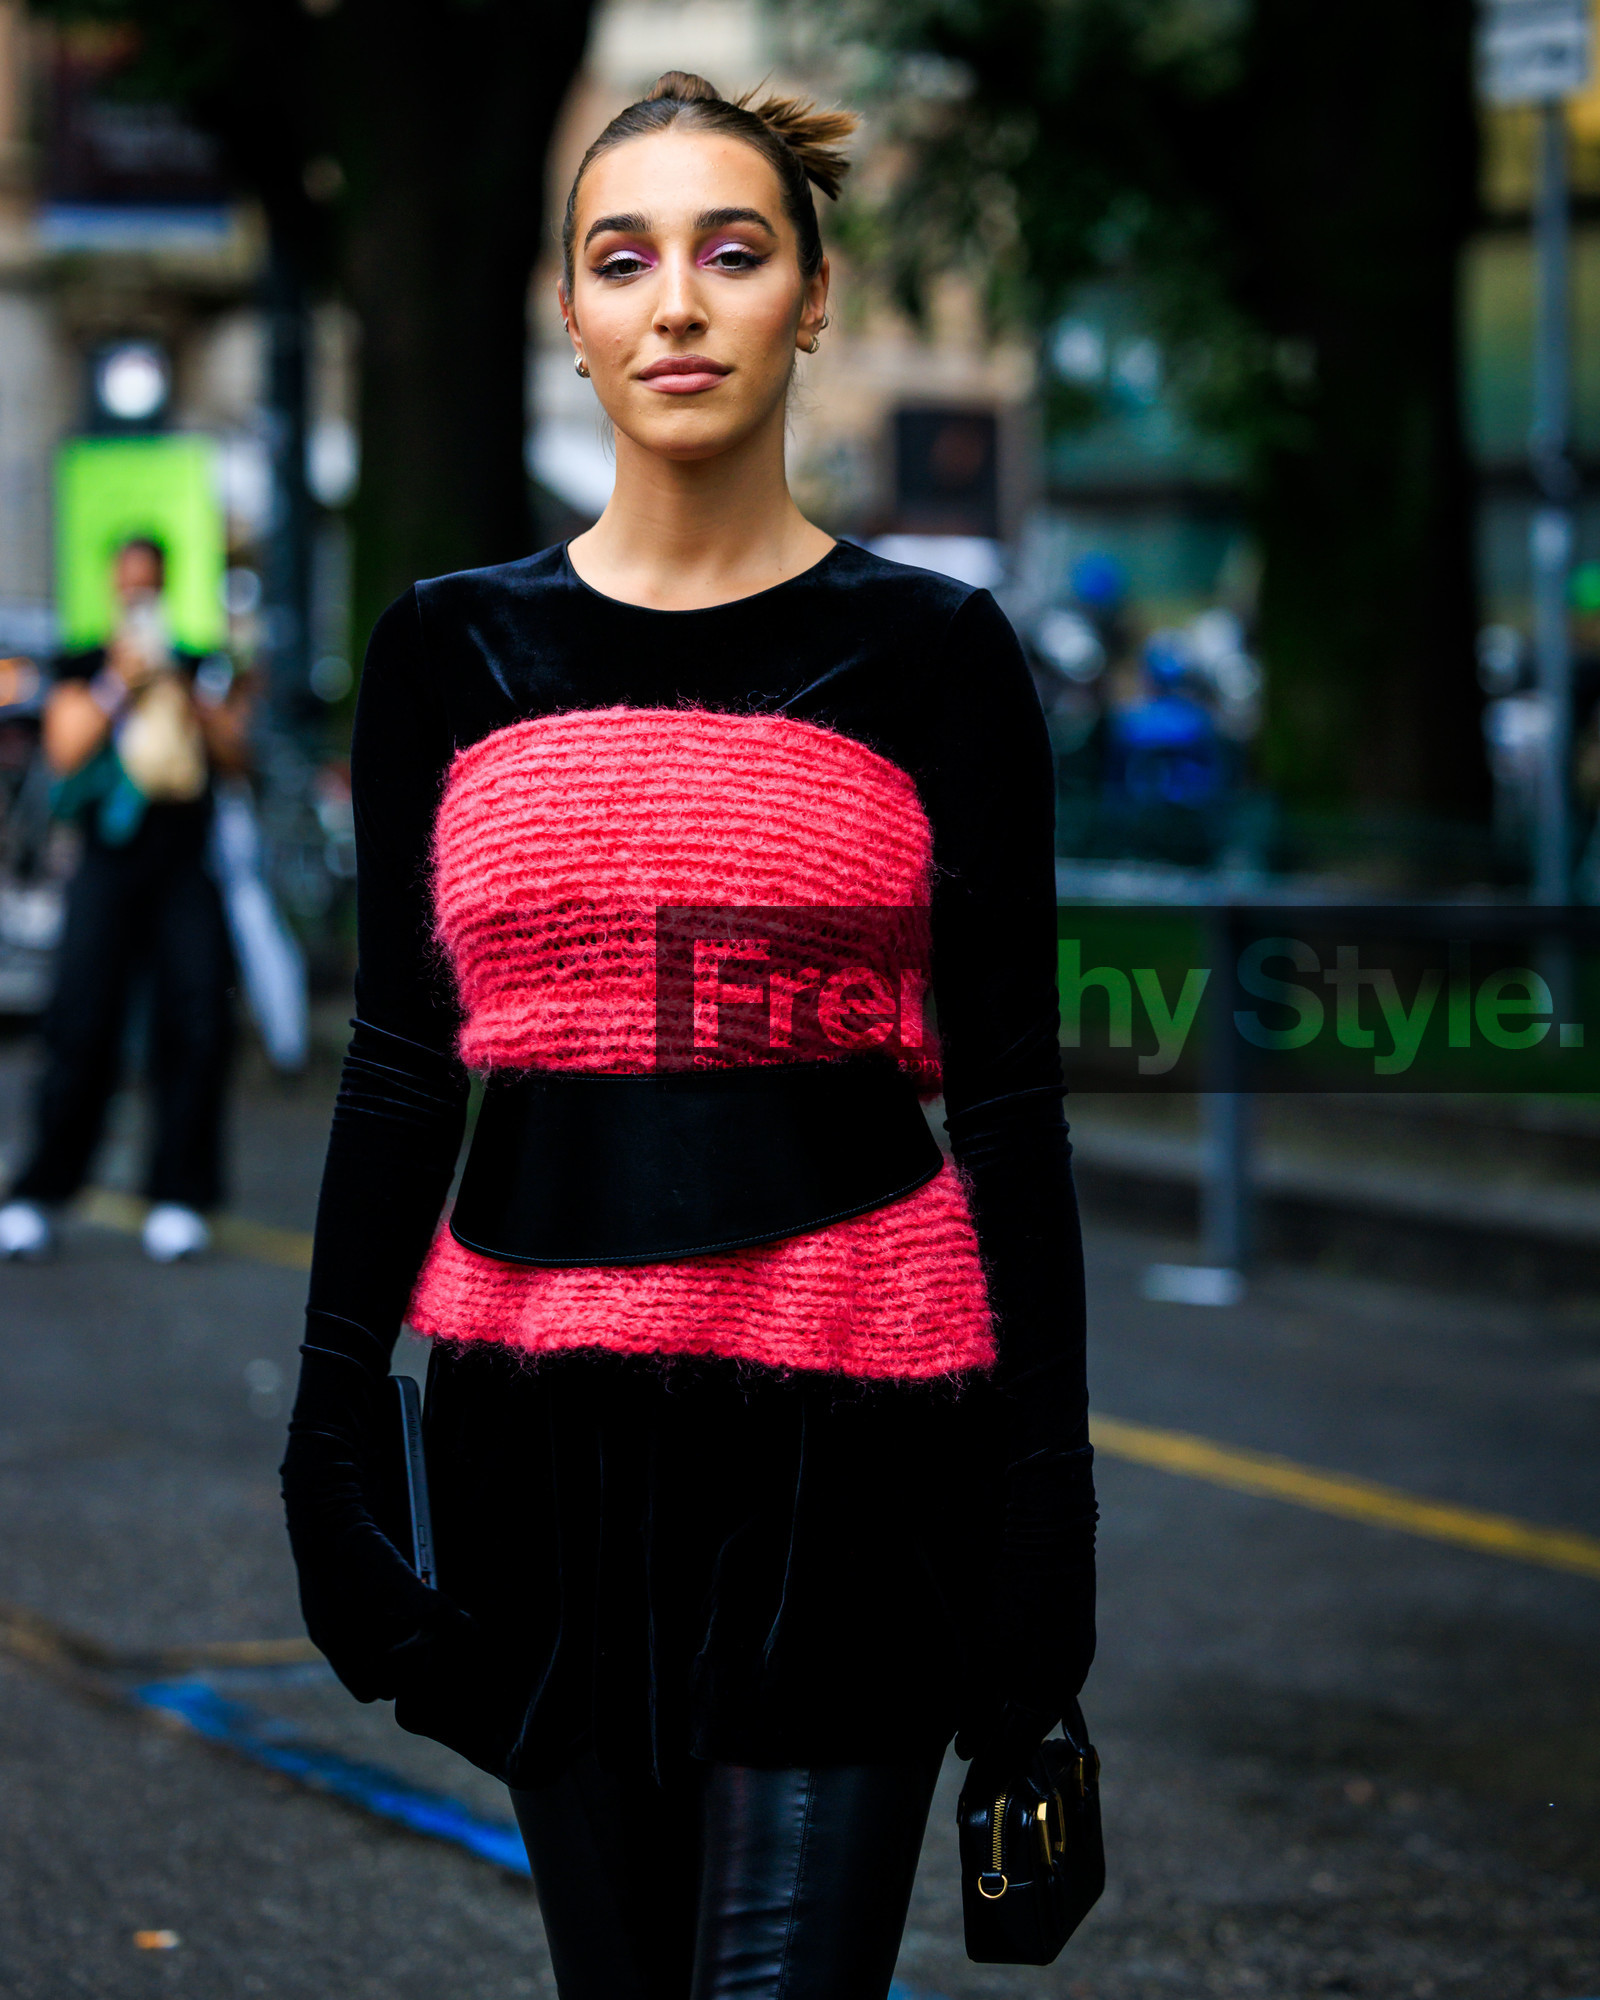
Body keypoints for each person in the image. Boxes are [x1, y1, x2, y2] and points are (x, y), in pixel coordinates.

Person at [280, 72, 1094, 2000]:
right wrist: (326, 1442)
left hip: (856, 1426)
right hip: (529, 1432)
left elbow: (1011, 1099)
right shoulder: (448, 652)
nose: (676, 303)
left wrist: (1048, 1509)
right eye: (621, 258)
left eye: (733, 253)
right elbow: (403, 1061)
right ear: (569, 313)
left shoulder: (937, 658)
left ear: (811, 295)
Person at [0, 537, 249, 1263]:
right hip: (106, 866)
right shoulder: (83, 662)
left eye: (152, 588)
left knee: (197, 1020)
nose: (139, 601)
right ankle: (40, 1191)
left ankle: (178, 1194)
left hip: (184, 864)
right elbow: (65, 749)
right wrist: (119, 682)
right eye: (128, 588)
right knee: (81, 1023)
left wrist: (187, 690)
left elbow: (238, 757)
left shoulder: (200, 662)